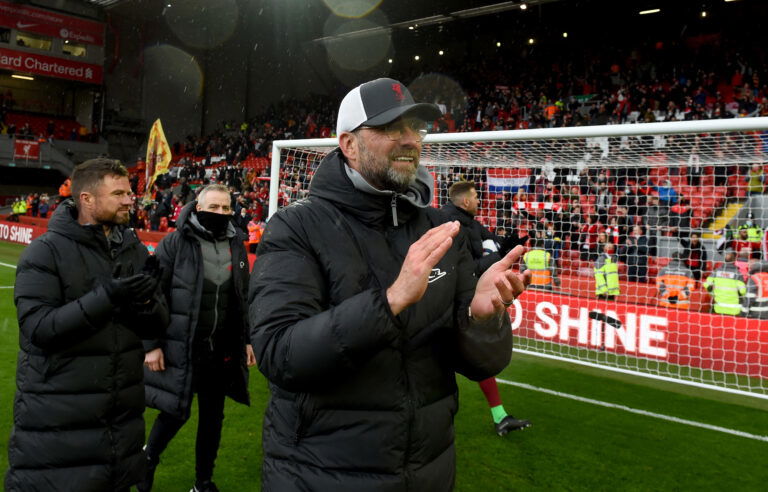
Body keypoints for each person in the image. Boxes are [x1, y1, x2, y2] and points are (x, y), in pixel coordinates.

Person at [249, 78, 531, 490]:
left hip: (430, 473)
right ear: (348, 144)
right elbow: (279, 353)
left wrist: (480, 318)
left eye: (415, 128)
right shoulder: (296, 227)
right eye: (389, 128)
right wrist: (390, 301)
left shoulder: (439, 228)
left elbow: (481, 365)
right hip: (321, 475)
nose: (409, 140)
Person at [6, 158, 168, 492]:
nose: (129, 200)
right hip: (59, 428)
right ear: (87, 200)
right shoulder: (44, 252)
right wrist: (106, 297)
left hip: (120, 429)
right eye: (119, 193)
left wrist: (149, 301)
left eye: (129, 192)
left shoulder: (132, 249)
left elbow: (157, 324)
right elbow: (39, 330)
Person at [139, 184, 256, 492]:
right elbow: (151, 295)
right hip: (181, 346)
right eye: (214, 207)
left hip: (221, 349)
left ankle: (203, 483)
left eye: (225, 208)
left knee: (212, 419)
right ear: (198, 207)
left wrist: (246, 339)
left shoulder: (237, 244)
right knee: (175, 411)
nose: (220, 213)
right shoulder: (175, 242)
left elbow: (241, 298)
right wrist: (151, 346)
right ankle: (147, 460)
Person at [441, 181, 530, 435]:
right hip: (450, 302)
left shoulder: (471, 223)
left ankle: (500, 416)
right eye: (477, 197)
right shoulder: (450, 223)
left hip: (464, 301)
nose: (480, 201)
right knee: (449, 359)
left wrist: (508, 245)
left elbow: (490, 246)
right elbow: (467, 268)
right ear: (465, 202)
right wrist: (500, 253)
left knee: (474, 355)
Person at [703, 249, 747, 315]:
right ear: (734, 261)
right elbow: (743, 291)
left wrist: (712, 292)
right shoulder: (737, 274)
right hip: (734, 309)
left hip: (719, 307)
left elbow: (706, 284)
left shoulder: (717, 271)